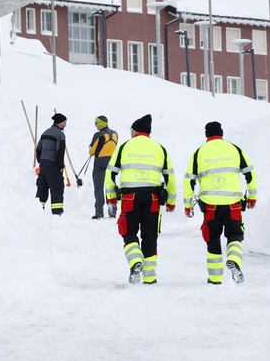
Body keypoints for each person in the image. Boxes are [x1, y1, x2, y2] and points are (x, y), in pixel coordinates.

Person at [183, 121, 258, 285]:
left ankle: (215, 279)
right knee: (235, 235)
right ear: (221, 134)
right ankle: (234, 260)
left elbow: (189, 181)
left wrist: (188, 204)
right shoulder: (235, 149)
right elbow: (250, 174)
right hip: (233, 204)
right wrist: (252, 197)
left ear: (206, 135)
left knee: (212, 239)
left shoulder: (199, 152)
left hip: (210, 205)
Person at [105, 114, 176, 284]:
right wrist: (171, 201)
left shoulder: (124, 147)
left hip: (130, 197)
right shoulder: (160, 148)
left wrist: (111, 196)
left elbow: (110, 173)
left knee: (128, 231)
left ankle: (136, 261)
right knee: (150, 235)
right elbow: (170, 177)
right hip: (152, 197)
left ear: (135, 130)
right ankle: (150, 277)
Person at [36, 113, 67, 215]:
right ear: (58, 123)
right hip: (53, 164)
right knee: (56, 187)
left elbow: (38, 149)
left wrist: (41, 161)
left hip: (44, 164)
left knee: (42, 186)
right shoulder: (60, 135)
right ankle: (57, 212)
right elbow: (60, 152)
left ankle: (39, 209)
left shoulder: (45, 133)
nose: (65, 124)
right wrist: (60, 165)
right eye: (64, 122)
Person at [88, 115, 118, 220]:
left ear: (99, 124)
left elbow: (91, 151)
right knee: (110, 188)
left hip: (99, 164)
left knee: (99, 188)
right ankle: (112, 212)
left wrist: (92, 150)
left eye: (96, 124)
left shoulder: (98, 134)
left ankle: (99, 213)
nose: (95, 126)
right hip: (111, 164)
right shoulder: (115, 134)